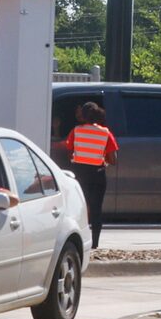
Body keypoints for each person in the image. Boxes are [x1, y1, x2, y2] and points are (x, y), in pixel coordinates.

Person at [60, 99, 117, 243]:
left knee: (81, 208)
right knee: (96, 209)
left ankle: (81, 241)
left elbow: (69, 152)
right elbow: (113, 160)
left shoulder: (76, 131)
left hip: (80, 174)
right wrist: (101, 157)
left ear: (83, 116)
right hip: (98, 174)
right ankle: (95, 242)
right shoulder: (105, 133)